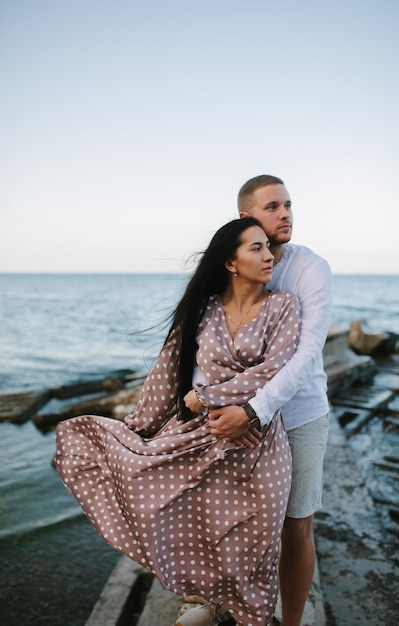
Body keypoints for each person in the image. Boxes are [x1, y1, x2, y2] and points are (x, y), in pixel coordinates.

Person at [55, 217, 301, 626]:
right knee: (197, 528)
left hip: (259, 444)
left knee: (255, 546)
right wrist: (139, 429)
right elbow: (167, 373)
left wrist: (206, 396)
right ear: (230, 262)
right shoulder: (203, 310)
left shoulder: (283, 306)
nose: (267, 255)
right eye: (255, 248)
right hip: (199, 440)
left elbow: (274, 370)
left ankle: (250, 616)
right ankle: (207, 602)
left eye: (267, 247)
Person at [201, 176, 333, 626]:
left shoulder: (309, 268)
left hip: (299, 415)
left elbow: (306, 352)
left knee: (296, 525)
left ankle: (290, 621)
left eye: (289, 205)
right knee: (233, 521)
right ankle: (228, 609)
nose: (285, 214)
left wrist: (254, 411)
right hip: (234, 416)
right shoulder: (229, 269)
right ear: (245, 218)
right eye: (273, 206)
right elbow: (205, 341)